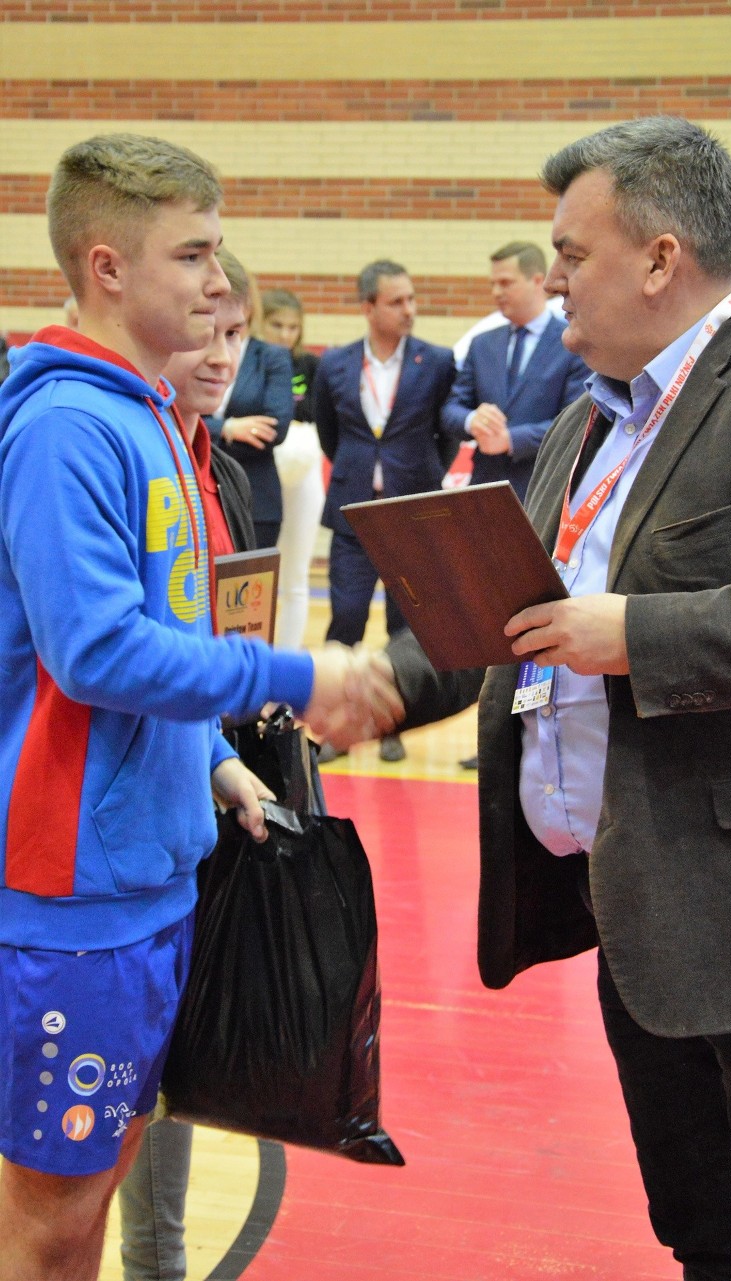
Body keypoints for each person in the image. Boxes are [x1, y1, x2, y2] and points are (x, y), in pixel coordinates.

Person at [385, 116, 731, 1278]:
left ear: (658, 258)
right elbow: (512, 612)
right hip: (641, 915)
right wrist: (355, 689)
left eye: (571, 253)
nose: (553, 280)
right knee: (706, 1233)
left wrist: (637, 634)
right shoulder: (592, 417)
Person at [0, 132, 400, 1281]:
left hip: (150, 876)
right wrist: (301, 675)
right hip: (71, 892)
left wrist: (212, 769)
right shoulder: (72, 427)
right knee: (54, 1220)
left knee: (86, 1201)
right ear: (107, 266)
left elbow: (155, 658)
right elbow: (98, 654)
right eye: (194, 255)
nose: (220, 284)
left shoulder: (152, 420)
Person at [117, 246, 267, 1281]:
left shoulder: (226, 469)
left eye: (241, 334)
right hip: (109, 829)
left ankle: (157, 1256)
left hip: (202, 792)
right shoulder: (112, 456)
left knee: (177, 1060)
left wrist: (231, 750)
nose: (223, 354)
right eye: (208, 330)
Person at [313, 258, 456, 763]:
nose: (409, 310)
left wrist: (419, 476)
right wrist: (359, 470)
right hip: (353, 514)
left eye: (412, 299)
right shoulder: (334, 363)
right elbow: (330, 433)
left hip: (411, 517)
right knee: (345, 619)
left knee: (406, 623)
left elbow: (449, 432)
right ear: (368, 307)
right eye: (397, 301)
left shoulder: (436, 362)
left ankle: (394, 724)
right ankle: (334, 727)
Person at [440, 241, 589, 502]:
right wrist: (472, 420)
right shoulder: (482, 344)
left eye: (506, 283)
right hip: (485, 493)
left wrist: (510, 439)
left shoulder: (571, 343)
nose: (496, 292)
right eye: (493, 284)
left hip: (543, 493)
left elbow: (575, 424)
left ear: (537, 281)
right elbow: (451, 409)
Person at [205, 271, 293, 550]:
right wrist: (228, 429)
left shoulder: (271, 357)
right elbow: (176, 418)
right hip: (201, 487)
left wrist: (208, 431)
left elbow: (274, 429)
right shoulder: (191, 350)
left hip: (258, 495)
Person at [261, 288, 325, 649]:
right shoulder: (253, 360)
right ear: (261, 323)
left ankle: (286, 661)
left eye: (292, 327)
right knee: (258, 571)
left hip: (303, 469)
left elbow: (317, 412)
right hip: (262, 468)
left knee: (295, 575)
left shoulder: (310, 366)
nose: (285, 335)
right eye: (277, 325)